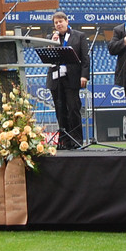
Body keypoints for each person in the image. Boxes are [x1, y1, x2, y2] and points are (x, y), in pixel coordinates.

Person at [47, 11, 89, 150]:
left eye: (60, 21)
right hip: (56, 79)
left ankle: (76, 140)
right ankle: (63, 141)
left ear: (67, 21)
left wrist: (84, 75)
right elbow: (48, 58)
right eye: (56, 23)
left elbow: (85, 59)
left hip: (72, 78)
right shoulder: (50, 38)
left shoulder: (79, 36)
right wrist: (52, 43)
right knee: (60, 110)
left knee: (73, 109)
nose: (58, 24)